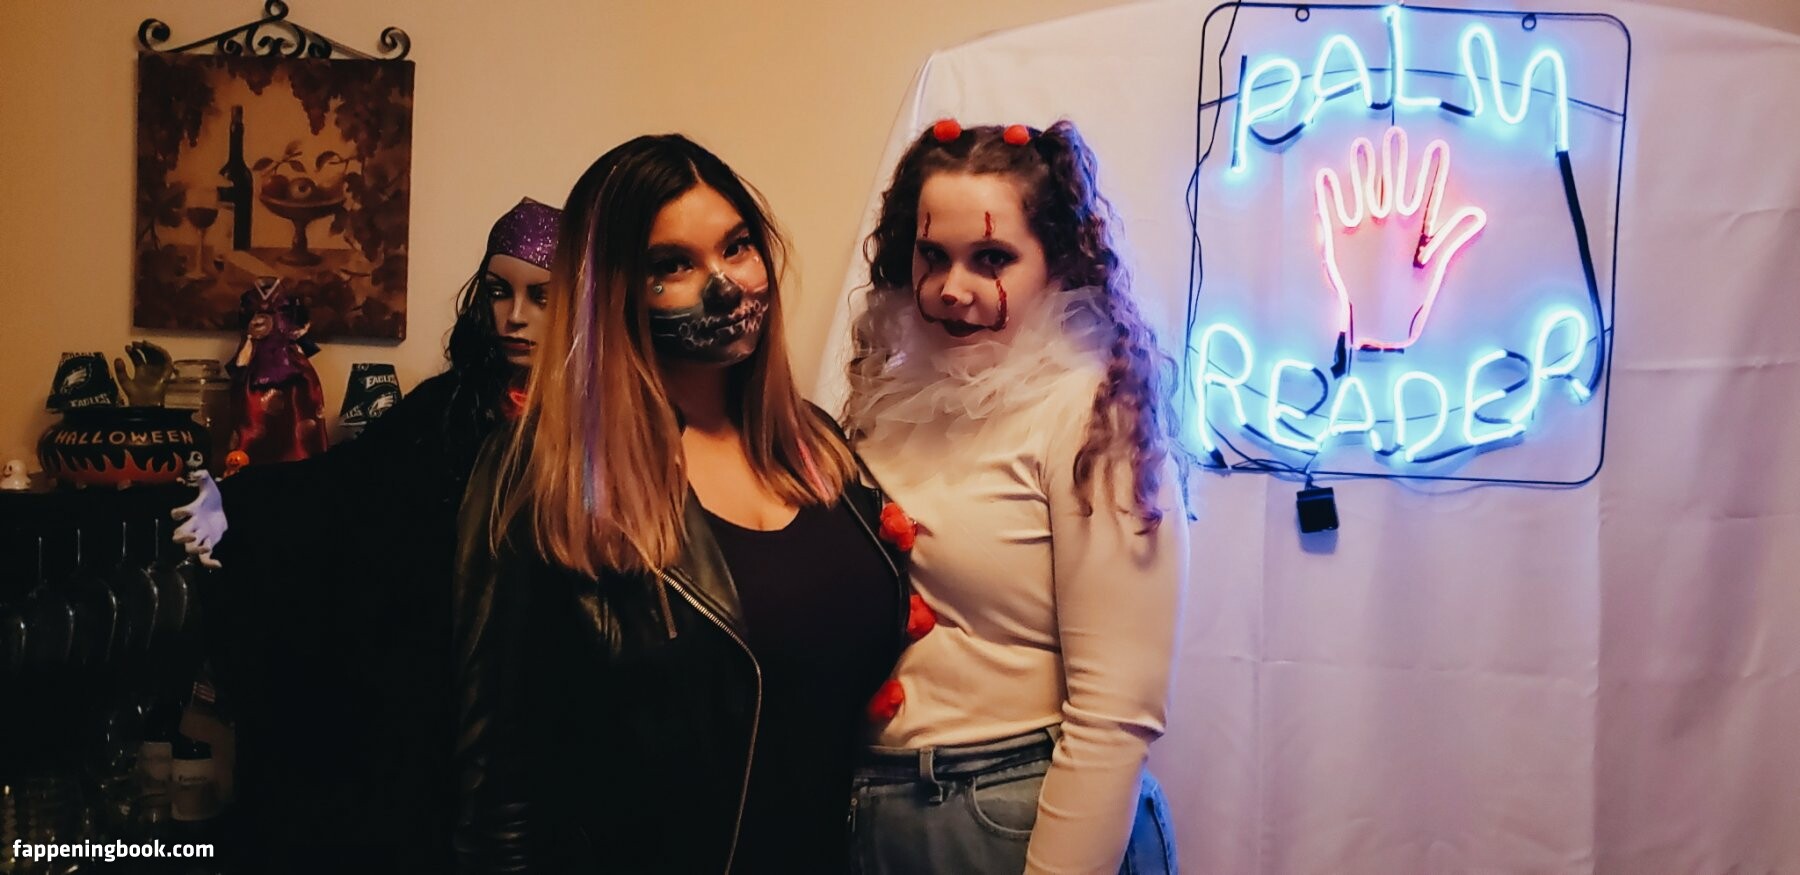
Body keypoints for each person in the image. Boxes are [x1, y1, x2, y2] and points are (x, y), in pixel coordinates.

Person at [453, 135, 911, 873]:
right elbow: (496, 784)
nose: (724, 285)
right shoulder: (542, 470)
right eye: (672, 265)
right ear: (612, 292)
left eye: (737, 247)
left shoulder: (818, 446)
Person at [171, 197, 563, 873]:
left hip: (552, 707)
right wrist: (236, 505)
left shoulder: (608, 422)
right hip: (432, 713)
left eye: (542, 296)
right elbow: (342, 489)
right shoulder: (447, 409)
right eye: (500, 292)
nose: (515, 316)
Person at [843, 119, 1189, 874]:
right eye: (932, 255)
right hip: (881, 814)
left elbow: (1116, 714)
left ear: (1057, 262)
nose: (952, 287)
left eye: (991, 258)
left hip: (1015, 813)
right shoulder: (887, 401)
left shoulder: (1095, 415)